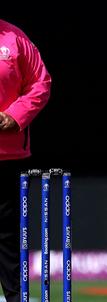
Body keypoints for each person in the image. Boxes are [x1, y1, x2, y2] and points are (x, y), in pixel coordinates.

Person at [0, 19, 51, 302]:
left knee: (8, 238)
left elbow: (40, 83)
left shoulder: (14, 38)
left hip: (6, 156)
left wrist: (14, 116)